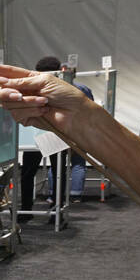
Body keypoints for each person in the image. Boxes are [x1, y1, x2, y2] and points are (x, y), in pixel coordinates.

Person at [0, 61, 140, 230]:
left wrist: (87, 125)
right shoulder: (67, 88)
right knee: (58, 170)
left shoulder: (57, 89)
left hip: (46, 137)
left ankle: (46, 208)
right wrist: (88, 125)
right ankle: (58, 206)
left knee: (52, 171)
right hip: (46, 135)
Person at [19, 56, 94, 218]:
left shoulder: (33, 88)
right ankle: (56, 210)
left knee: (29, 172)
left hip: (36, 133)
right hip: (54, 134)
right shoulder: (67, 88)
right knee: (58, 171)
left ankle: (27, 209)